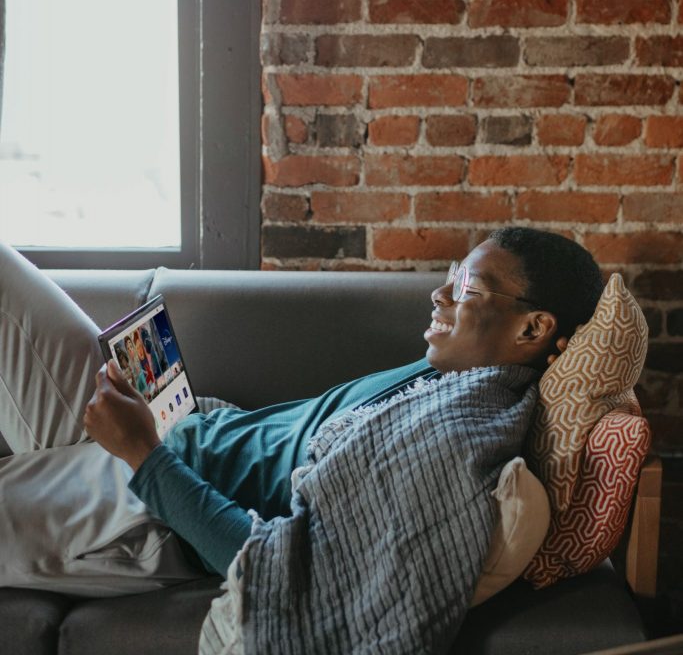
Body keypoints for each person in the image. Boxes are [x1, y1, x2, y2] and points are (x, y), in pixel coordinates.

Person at [0, 228, 603, 611]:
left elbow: (276, 570)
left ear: (533, 327)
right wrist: (205, 419)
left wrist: (143, 455)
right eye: (449, 277)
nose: (439, 296)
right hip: (174, 435)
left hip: (141, 509)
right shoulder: (445, 378)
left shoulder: (449, 438)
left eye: (465, 286)